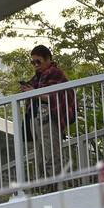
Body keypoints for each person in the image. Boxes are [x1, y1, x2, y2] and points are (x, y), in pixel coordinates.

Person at [19, 45, 75, 183]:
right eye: (33, 62)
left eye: (38, 61)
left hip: (49, 118)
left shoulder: (56, 74)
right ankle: (47, 188)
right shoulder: (37, 78)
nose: (36, 65)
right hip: (36, 118)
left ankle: (55, 189)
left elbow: (57, 97)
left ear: (48, 59)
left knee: (52, 155)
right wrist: (29, 92)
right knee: (39, 157)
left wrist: (34, 93)